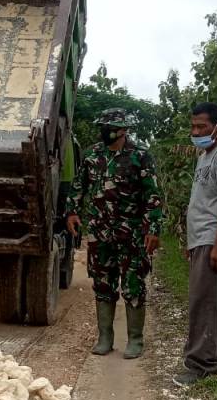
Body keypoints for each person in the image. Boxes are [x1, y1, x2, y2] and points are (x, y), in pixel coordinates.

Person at [66, 108, 163, 359]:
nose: (105, 131)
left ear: (123, 130)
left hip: (131, 234)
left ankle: (135, 340)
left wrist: (153, 228)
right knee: (102, 283)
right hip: (100, 233)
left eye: (110, 127)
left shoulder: (140, 157)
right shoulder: (92, 155)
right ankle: (105, 337)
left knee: (133, 284)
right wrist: (72, 212)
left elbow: (152, 195)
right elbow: (79, 186)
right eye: (103, 126)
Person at [173, 102, 217, 387]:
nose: (196, 131)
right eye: (193, 126)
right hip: (203, 240)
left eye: (201, 126)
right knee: (213, 302)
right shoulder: (205, 156)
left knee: (203, 303)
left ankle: (200, 365)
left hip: (215, 240)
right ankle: (215, 358)